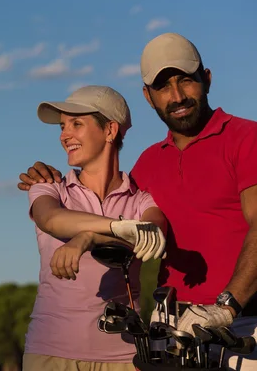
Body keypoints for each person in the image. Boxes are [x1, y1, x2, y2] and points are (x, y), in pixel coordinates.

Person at [17, 32, 257, 370]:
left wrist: (228, 306)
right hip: (170, 330)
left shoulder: (247, 137)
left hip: (240, 322)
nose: (176, 96)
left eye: (186, 80)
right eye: (162, 87)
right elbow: (119, 222)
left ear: (207, 79)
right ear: (148, 97)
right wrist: (44, 178)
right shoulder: (147, 165)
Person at [22, 84, 168, 371]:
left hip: (124, 358)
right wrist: (117, 228)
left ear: (110, 131)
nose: (65, 135)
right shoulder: (50, 188)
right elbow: (50, 219)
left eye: (77, 123)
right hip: (50, 354)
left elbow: (151, 236)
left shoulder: (141, 200)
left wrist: (88, 238)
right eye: (63, 126)